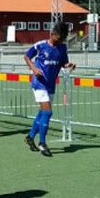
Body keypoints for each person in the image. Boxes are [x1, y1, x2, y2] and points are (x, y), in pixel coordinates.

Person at [23, 24, 75, 157]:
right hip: (39, 83)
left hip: (51, 84)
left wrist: (69, 65)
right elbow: (27, 56)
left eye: (62, 39)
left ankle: (30, 137)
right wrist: (34, 69)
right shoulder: (40, 45)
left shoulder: (62, 47)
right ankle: (42, 143)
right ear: (52, 34)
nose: (59, 41)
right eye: (58, 38)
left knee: (42, 114)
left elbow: (63, 63)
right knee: (47, 111)